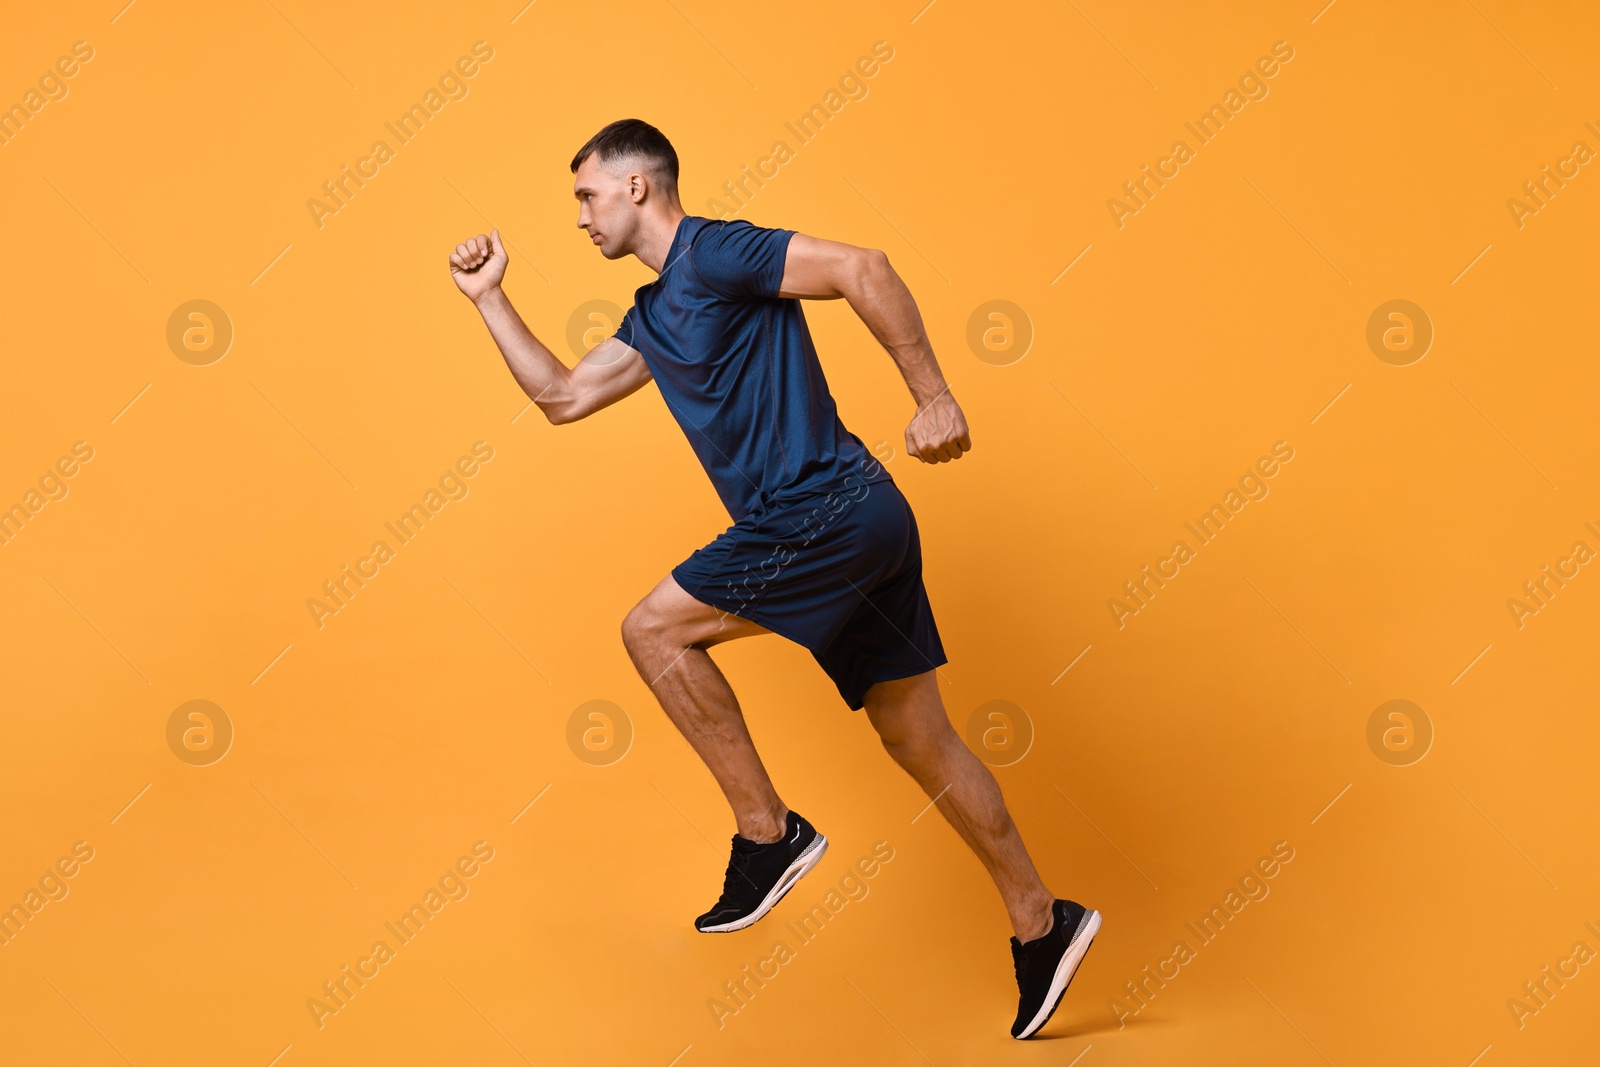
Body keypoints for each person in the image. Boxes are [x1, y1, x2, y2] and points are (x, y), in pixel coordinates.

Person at [447, 118, 1099, 1039]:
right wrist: (487, 298)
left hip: (823, 508)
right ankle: (1042, 921)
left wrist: (935, 396)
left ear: (637, 188)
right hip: (857, 520)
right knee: (920, 738)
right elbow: (563, 396)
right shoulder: (652, 314)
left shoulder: (718, 252)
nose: (581, 218)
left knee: (652, 630)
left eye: (588, 196)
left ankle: (770, 834)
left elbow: (863, 266)